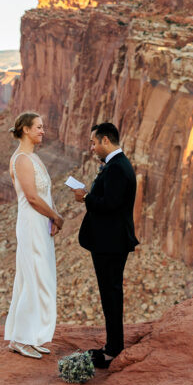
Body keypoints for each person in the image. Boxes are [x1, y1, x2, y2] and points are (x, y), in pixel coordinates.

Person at [71, 121, 138, 369]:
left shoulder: (118, 168)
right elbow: (111, 201)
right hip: (110, 241)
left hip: (111, 243)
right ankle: (113, 345)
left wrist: (85, 197)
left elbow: (109, 205)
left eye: (93, 142)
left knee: (110, 294)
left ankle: (113, 349)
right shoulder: (116, 166)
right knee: (110, 293)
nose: (92, 147)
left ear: (105, 141)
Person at [3, 111, 64, 359]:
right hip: (31, 225)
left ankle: (33, 336)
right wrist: (56, 217)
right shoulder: (21, 160)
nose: (42, 131)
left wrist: (51, 216)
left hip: (40, 224)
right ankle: (21, 339)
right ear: (26, 130)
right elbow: (31, 197)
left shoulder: (33, 158)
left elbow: (43, 196)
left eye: (43, 127)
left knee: (41, 277)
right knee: (33, 277)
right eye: (38, 127)